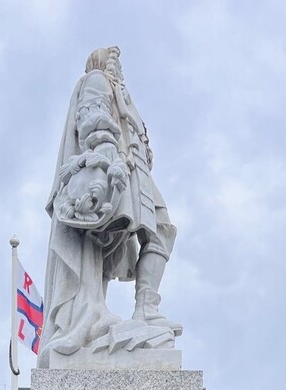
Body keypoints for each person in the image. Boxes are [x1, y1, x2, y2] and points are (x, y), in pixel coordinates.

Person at [39, 46, 181, 366]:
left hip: (135, 168)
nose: (118, 67)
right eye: (112, 61)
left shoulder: (122, 92)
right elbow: (92, 118)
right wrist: (105, 156)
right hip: (117, 164)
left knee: (161, 229)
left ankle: (146, 308)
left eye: (119, 63)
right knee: (100, 239)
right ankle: (90, 314)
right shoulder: (96, 79)